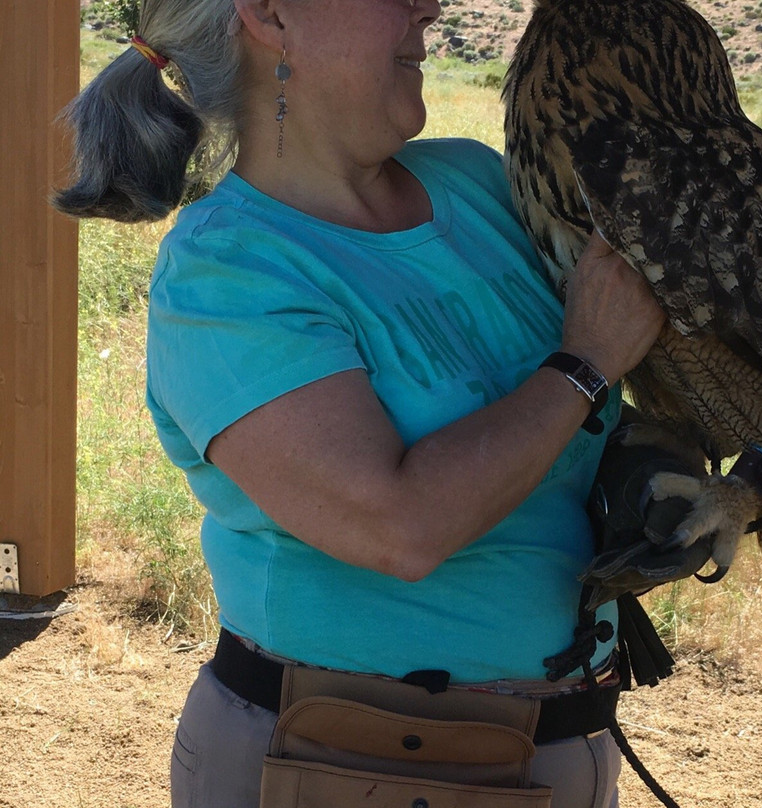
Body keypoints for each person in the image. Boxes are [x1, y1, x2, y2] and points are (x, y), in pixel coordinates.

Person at [55, 0, 667, 806]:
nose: (431, 6)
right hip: (338, 764)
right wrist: (586, 364)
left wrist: (663, 469)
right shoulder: (229, 269)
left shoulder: (482, 184)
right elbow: (398, 526)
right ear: (271, 14)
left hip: (564, 747)